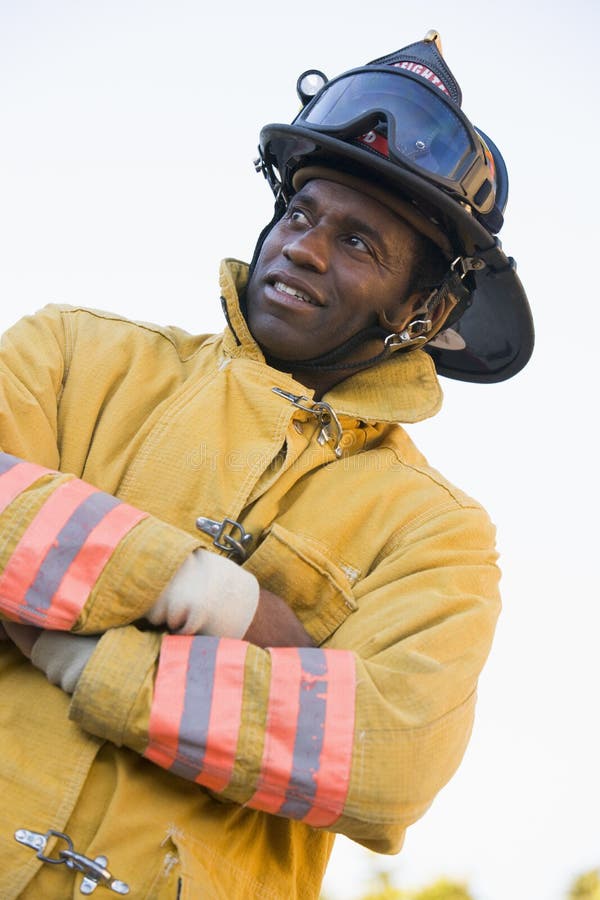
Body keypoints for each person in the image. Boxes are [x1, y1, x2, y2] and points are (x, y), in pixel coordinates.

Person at [0, 30, 533, 899]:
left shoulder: (440, 537)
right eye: (300, 214)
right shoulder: (72, 354)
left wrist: (78, 655)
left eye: (359, 244)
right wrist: (223, 601)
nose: (304, 249)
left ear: (426, 310)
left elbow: (391, 755)